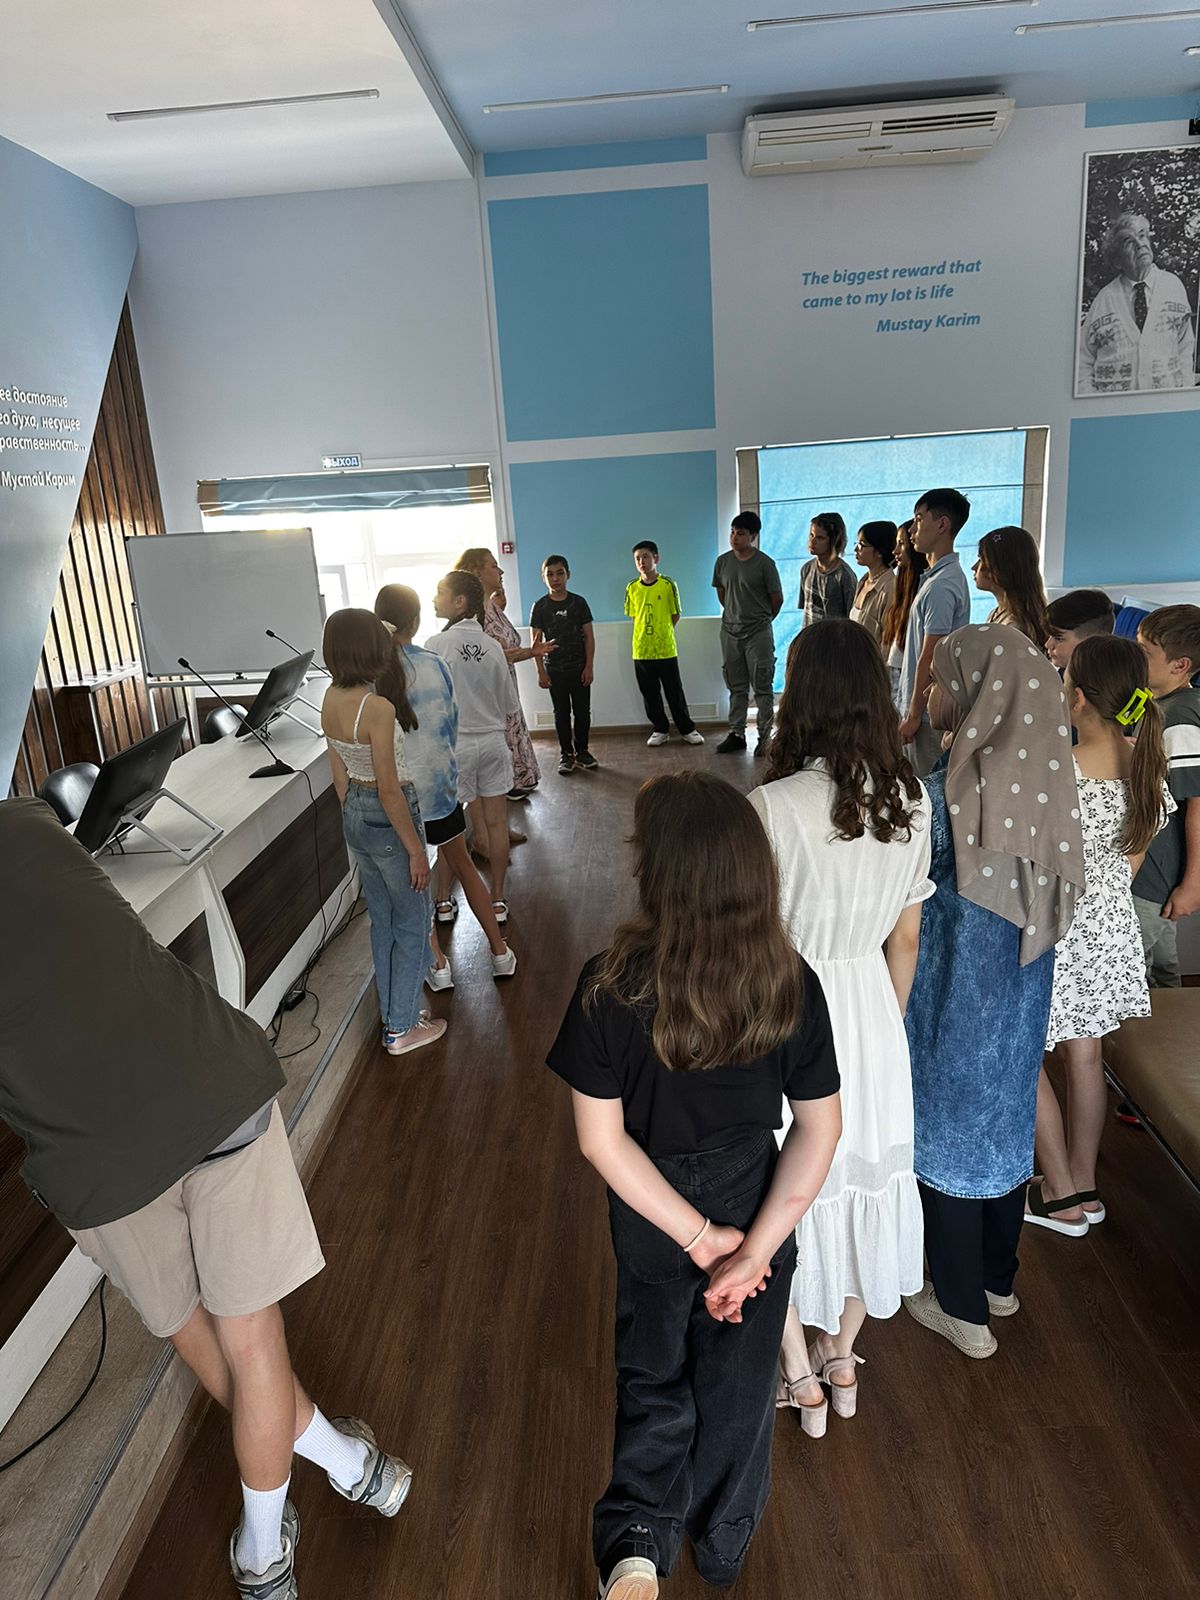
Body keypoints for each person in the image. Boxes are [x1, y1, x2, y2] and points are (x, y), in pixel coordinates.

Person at [0, 798, 414, 1600]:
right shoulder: (25, 820)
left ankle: (316, 1509)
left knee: (203, 1341)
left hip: (96, 1163)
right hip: (206, 1086)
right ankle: (328, 1488)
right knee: (252, 1343)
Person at [548, 772, 841, 1599]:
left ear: (658, 874)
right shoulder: (789, 980)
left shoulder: (606, 986)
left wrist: (698, 1240)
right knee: (741, 1389)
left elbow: (601, 1143)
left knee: (652, 1377)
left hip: (652, 1217)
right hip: (758, 1205)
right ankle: (722, 1546)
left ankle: (637, 1547)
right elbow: (819, 1129)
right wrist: (753, 1252)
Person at [750, 621, 930, 1433]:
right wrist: (882, 1029)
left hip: (787, 1013)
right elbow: (907, 940)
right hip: (873, 1009)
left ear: (802, 696)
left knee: (785, 1191)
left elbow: (753, 942)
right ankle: (843, 1356)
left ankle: (798, 1372)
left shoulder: (769, 807)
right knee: (869, 1177)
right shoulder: (911, 799)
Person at [902, 624, 1085, 1358]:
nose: (929, 694)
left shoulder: (943, 794)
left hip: (951, 1001)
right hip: (1022, 1000)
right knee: (1006, 1131)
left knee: (947, 1139)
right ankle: (997, 1283)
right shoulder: (1051, 784)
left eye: (940, 680)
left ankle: (960, 1311)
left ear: (977, 695)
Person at [1029, 636, 1169, 1236]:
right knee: (1087, 1059)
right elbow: (1128, 864)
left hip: (1055, 931)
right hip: (1110, 932)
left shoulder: (1055, 772)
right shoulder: (1147, 767)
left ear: (1078, 697)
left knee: (1022, 1057)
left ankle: (1058, 1191)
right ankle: (1084, 1187)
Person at [373, 584, 517, 986]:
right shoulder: (435, 662)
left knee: (414, 883)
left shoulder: (374, 674)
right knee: (465, 867)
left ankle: (438, 964)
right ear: (416, 621)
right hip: (440, 790)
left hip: (400, 798)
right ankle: (500, 952)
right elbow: (453, 722)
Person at [321, 608, 444, 1057]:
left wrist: (356, 818)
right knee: (413, 921)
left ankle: (397, 1015)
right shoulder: (377, 707)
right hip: (389, 815)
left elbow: (339, 775)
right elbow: (390, 790)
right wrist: (416, 851)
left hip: (354, 810)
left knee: (384, 921)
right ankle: (401, 1028)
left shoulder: (330, 697)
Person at [423, 570, 520, 926]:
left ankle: (443, 902)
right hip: (493, 743)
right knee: (497, 823)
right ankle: (498, 899)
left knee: (452, 829)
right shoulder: (493, 647)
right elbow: (510, 705)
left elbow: (428, 703)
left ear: (460, 601)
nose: (434, 599)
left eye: (440, 592)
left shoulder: (436, 645)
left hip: (456, 747)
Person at [1132, 604, 1200, 986]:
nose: (1135, 656)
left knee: (1135, 969)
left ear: (1180, 665)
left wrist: (1193, 884)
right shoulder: (1153, 704)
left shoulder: (1179, 717)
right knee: (1162, 968)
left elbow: (1198, 805)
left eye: (1145, 652)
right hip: (1152, 869)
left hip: (1155, 875)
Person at [455, 546, 553, 801]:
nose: (500, 571)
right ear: (476, 571)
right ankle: (504, 785)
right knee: (503, 733)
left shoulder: (492, 606)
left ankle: (517, 779)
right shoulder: (473, 615)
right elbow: (487, 655)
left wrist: (532, 651)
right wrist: (529, 652)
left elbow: (503, 649)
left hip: (506, 683)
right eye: (493, 565)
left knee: (514, 727)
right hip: (489, 690)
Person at [1078, 211, 1197, 395]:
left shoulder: (1173, 286)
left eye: (1142, 235)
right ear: (1117, 261)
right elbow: (1082, 360)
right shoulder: (1104, 299)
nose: (1140, 244)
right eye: (1129, 241)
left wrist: (1184, 391)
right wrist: (1093, 401)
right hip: (1114, 409)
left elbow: (1185, 346)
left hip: (1165, 405)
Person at [898, 488, 972, 778]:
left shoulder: (942, 585)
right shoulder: (935, 578)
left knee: (926, 789)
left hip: (929, 713)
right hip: (923, 707)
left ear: (942, 525)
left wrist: (914, 715)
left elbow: (930, 656)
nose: (912, 530)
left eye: (919, 520)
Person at [712, 511, 783, 757]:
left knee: (762, 687)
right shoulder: (722, 562)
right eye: (732, 532)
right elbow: (723, 594)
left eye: (740, 533)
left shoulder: (765, 564)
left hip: (758, 633)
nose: (734, 537)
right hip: (730, 632)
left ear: (753, 536)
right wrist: (736, 615)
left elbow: (776, 599)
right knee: (736, 686)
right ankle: (737, 734)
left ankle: (764, 738)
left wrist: (760, 620)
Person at [625, 540, 705, 748]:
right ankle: (660, 729)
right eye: (637, 559)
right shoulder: (632, 588)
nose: (641, 562)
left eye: (645, 557)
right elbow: (634, 616)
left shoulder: (668, 584)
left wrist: (663, 633)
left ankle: (687, 729)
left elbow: (675, 614)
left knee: (674, 691)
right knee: (650, 693)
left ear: (656, 558)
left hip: (666, 649)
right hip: (641, 650)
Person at [530, 553, 597, 775]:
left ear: (568, 575)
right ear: (543, 578)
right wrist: (541, 672)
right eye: (550, 574)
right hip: (555, 670)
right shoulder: (540, 607)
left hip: (579, 668)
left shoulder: (579, 603)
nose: (555, 578)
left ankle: (583, 751)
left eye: (560, 573)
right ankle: (566, 755)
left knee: (583, 712)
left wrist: (589, 666)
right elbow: (535, 644)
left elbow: (589, 637)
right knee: (561, 713)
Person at [971, 525, 1050, 649]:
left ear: (999, 567)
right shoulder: (997, 614)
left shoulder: (1014, 627)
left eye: (981, 559)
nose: (974, 567)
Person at [880, 520, 926, 712]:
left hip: (907, 686)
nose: (895, 551)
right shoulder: (901, 585)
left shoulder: (923, 588)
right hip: (894, 680)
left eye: (902, 544)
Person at [798, 512, 857, 627]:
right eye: (811, 535)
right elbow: (806, 608)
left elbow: (852, 619)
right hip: (810, 635)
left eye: (820, 538)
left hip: (835, 636)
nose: (812, 541)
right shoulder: (806, 569)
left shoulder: (845, 576)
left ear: (834, 541)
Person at [849, 520, 898, 648]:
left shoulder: (891, 587)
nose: (856, 549)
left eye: (862, 544)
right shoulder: (863, 581)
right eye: (857, 543)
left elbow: (888, 640)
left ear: (879, 551)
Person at [1044, 589, 1115, 673]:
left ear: (1091, 642)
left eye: (1058, 638)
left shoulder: (1108, 679)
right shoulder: (1064, 673)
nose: (1047, 644)